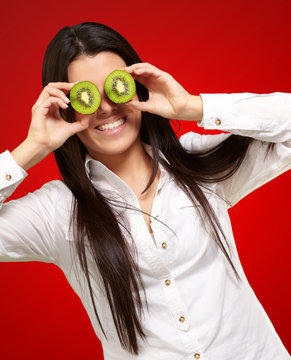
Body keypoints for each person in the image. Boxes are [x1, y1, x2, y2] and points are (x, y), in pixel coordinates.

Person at [0, 21, 290, 360]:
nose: (106, 107)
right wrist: (32, 148)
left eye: (116, 86)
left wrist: (194, 107)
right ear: (67, 107)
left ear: (137, 87)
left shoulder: (199, 167)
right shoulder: (58, 212)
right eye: (87, 96)